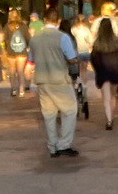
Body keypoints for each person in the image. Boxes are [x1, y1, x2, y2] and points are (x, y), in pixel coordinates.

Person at [28, 9, 80, 157]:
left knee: (49, 114)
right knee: (70, 110)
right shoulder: (62, 37)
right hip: (59, 79)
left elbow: (31, 58)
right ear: (58, 21)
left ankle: (52, 145)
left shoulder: (35, 38)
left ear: (44, 20)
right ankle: (64, 144)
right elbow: (71, 58)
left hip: (42, 79)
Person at [91, 19, 118, 130]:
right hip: (115, 71)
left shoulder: (97, 44)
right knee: (113, 96)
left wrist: (97, 69)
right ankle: (112, 115)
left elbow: (94, 59)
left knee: (106, 97)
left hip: (103, 72)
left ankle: (109, 120)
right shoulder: (116, 43)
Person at [3, 9, 32, 97]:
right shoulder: (23, 26)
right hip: (22, 50)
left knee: (12, 70)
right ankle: (22, 90)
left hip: (11, 50)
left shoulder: (7, 26)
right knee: (20, 71)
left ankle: (13, 89)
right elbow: (28, 38)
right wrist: (28, 47)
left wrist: (5, 49)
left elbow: (4, 39)